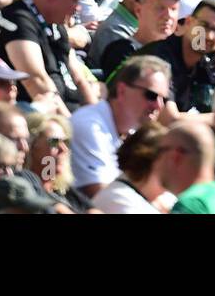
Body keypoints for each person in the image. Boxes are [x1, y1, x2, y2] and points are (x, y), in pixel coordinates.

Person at [0, 0, 99, 115]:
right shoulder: (18, 20)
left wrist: (97, 119)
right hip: (45, 123)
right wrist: (71, 129)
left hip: (75, 114)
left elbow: (78, 77)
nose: (77, 8)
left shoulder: (55, 23)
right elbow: (36, 81)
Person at [70, 55, 173, 198]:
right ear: (122, 90)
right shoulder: (90, 125)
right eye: (151, 95)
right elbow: (103, 196)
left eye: (164, 99)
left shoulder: (135, 131)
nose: (159, 105)